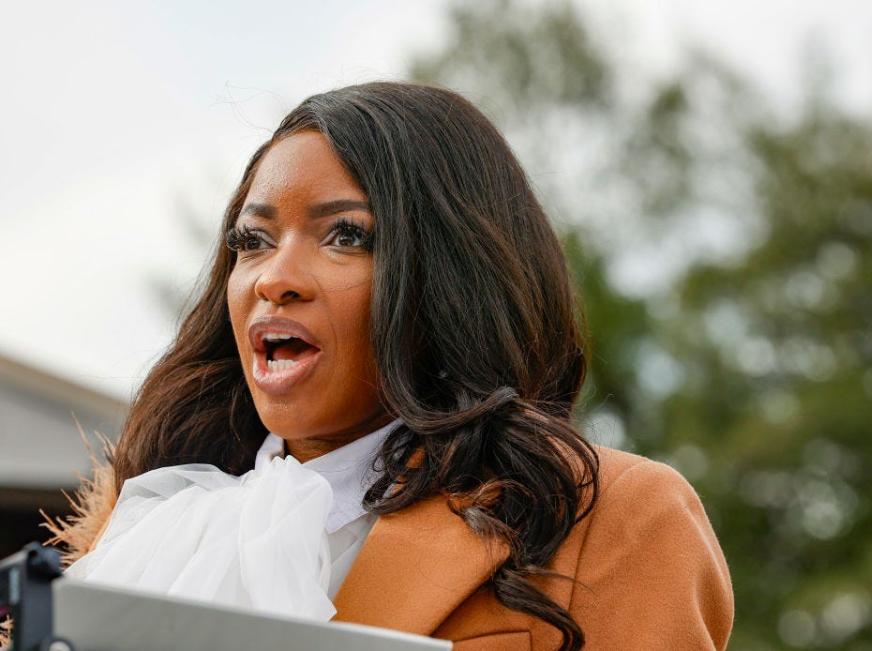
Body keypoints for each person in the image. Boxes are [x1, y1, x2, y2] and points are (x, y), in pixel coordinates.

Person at [23, 81, 734, 650]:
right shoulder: (145, 532)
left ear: (453, 273)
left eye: (345, 235)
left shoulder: (615, 513)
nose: (277, 276)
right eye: (253, 239)